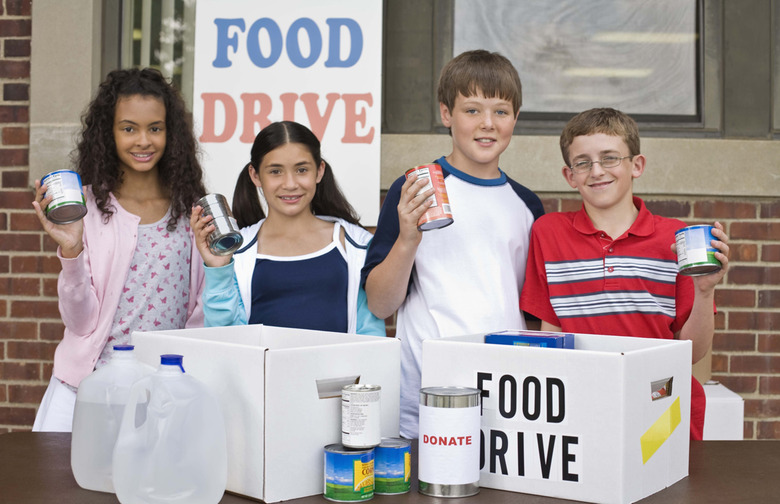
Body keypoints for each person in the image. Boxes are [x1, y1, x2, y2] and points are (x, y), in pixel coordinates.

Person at [361, 50, 545, 438]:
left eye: (501, 111)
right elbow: (379, 304)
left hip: (506, 393)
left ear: (515, 119)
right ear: (446, 114)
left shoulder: (527, 205)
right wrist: (408, 239)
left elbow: (531, 312)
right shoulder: (413, 190)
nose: (487, 123)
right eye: (472, 110)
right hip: (426, 393)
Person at [520, 107, 730, 440]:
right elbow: (551, 336)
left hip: (660, 404)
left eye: (610, 158)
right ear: (569, 176)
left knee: (658, 474)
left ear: (636, 165)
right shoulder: (549, 233)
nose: (597, 171)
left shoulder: (674, 238)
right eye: (583, 162)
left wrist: (705, 291)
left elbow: (692, 352)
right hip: (580, 405)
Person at [31, 67, 208, 432]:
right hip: (87, 390)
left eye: (155, 128)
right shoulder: (86, 207)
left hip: (162, 399)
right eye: (129, 129)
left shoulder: (190, 210)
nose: (143, 140)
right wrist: (72, 251)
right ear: (108, 133)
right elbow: (80, 323)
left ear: (171, 133)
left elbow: (198, 316)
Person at [190, 121, 384, 336]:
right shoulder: (237, 252)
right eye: (275, 171)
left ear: (319, 171)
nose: (290, 184)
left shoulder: (357, 245)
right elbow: (225, 338)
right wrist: (219, 270)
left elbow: (371, 334)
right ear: (255, 175)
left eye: (302, 170)